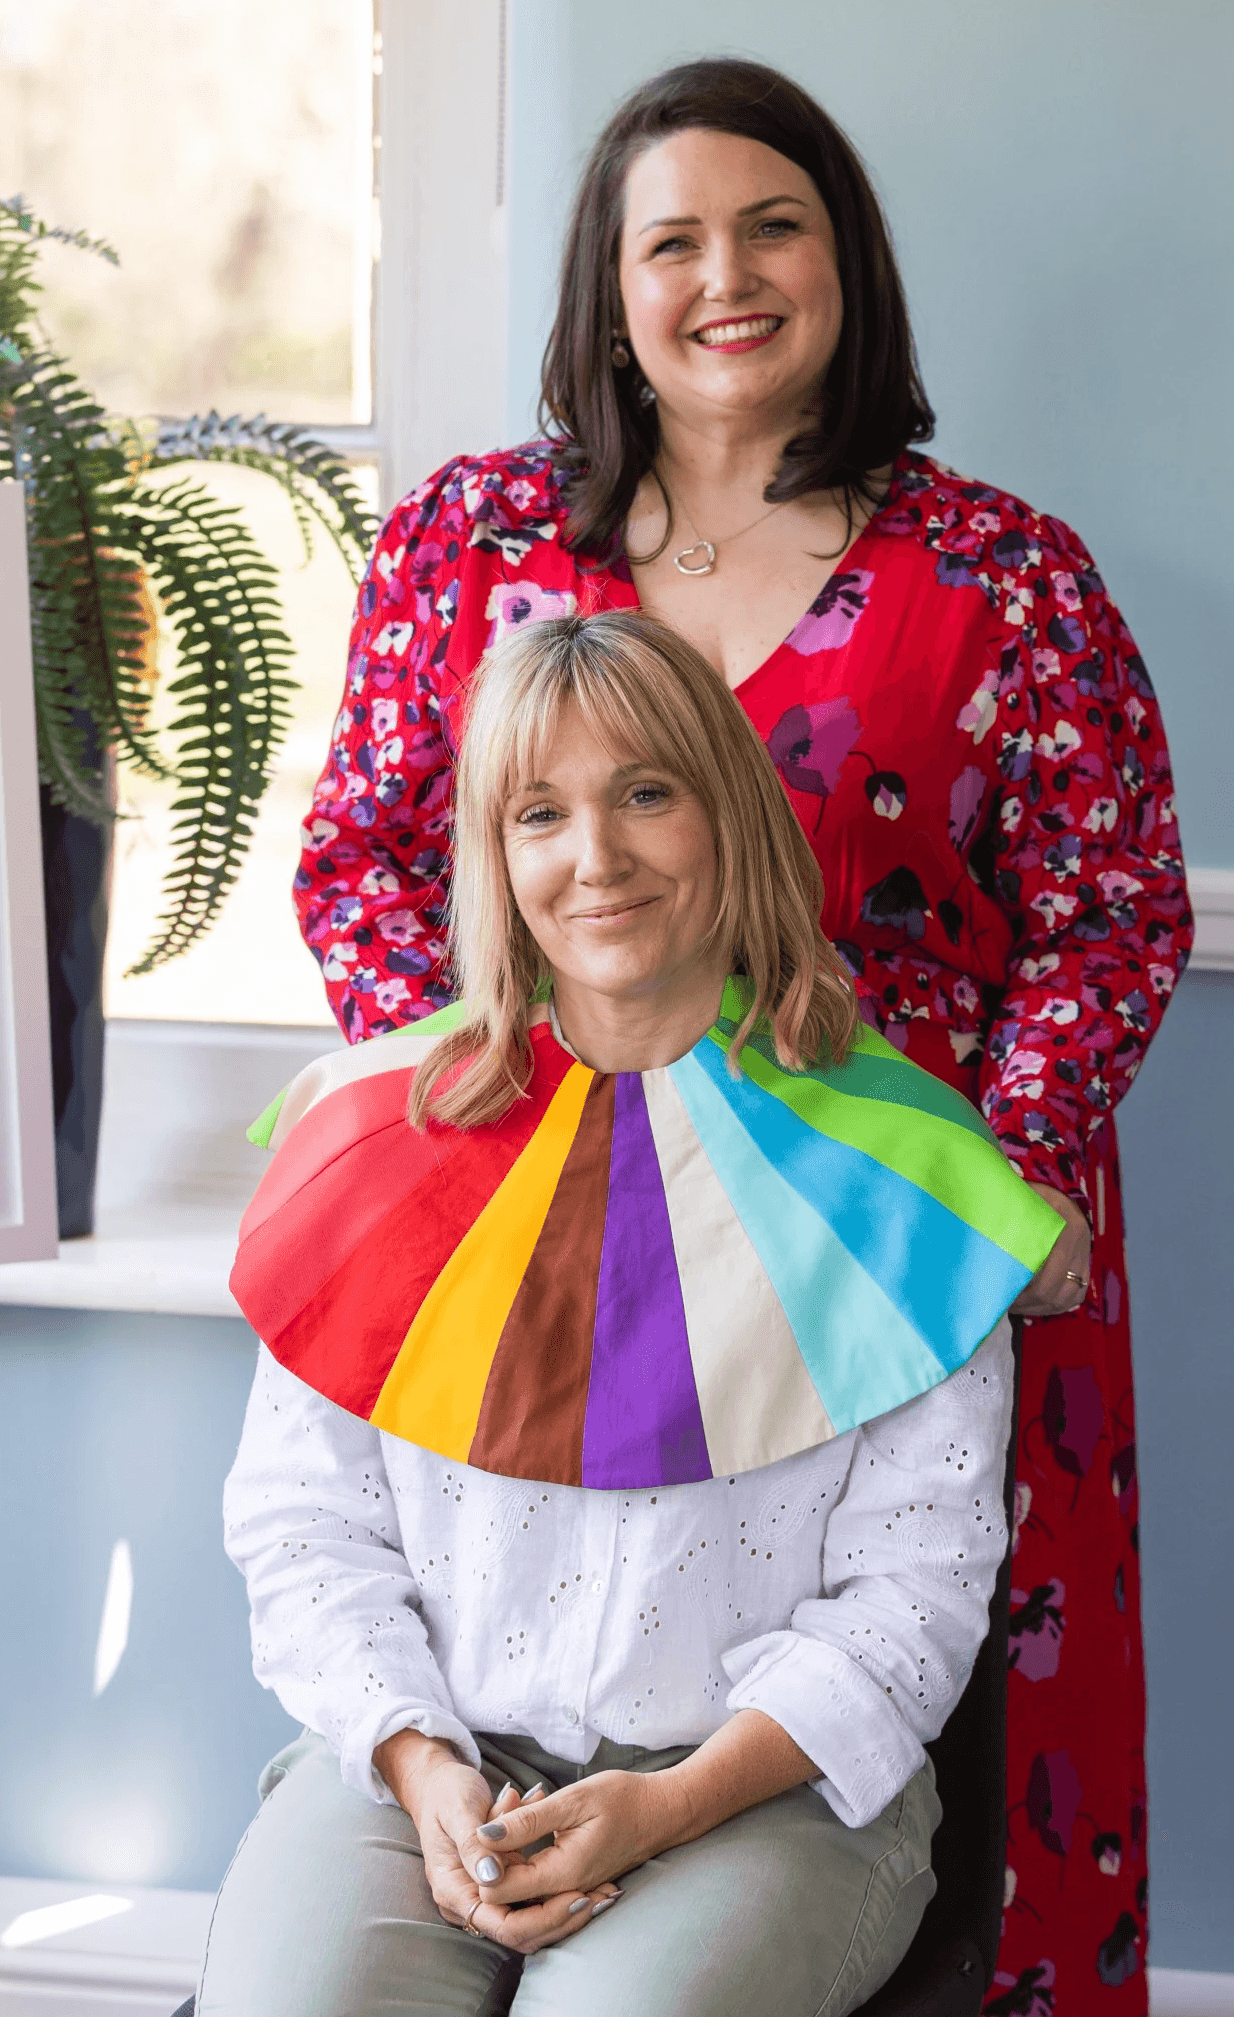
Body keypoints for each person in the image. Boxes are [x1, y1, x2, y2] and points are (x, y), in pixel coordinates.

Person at [294, 59, 1194, 2008]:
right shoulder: (466, 543)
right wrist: (470, 1122)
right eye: (674, 240)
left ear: (845, 261)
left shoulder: (1006, 579)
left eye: (774, 226)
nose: (727, 276)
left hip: (899, 1236)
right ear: (607, 284)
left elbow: (1111, 907)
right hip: (557, 1216)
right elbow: (364, 855)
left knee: (921, 1678)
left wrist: (979, 1195)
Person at [205, 613, 1062, 2017]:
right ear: (496, 856)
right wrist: (423, 1767)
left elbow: (912, 1596)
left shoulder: (907, 1176)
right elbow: (305, 1528)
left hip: (766, 1791)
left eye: (646, 793)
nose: (594, 857)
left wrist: (666, 1805)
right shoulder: (372, 1143)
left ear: (728, 816)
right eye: (540, 812)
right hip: (425, 1762)